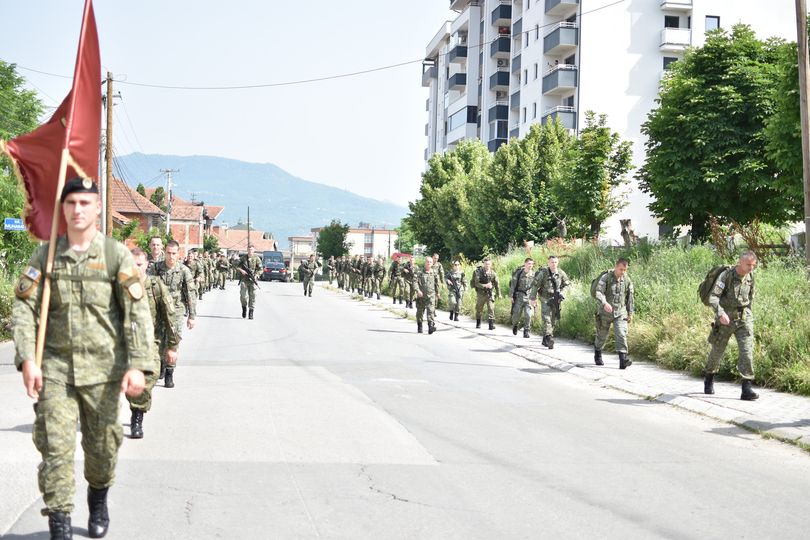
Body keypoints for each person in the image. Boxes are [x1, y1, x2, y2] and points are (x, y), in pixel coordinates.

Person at [12, 177, 154, 539]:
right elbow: (25, 309)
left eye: (85, 203)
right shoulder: (46, 256)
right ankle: (59, 521)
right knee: (56, 449)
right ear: (64, 208)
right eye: (71, 203)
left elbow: (136, 314)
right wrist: (28, 358)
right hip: (56, 370)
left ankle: (98, 497)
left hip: (104, 372)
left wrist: (138, 364)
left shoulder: (115, 256)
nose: (78, 210)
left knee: (103, 449)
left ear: (97, 208)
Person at [128, 247, 179, 440]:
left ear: (146, 265)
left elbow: (170, 316)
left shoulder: (155, 286)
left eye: (139, 265)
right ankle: (136, 406)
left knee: (144, 383)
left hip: (151, 344)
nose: (135, 269)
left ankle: (137, 417)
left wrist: (172, 346)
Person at [703, 251, 759, 400]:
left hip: (744, 319)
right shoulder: (726, 276)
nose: (751, 268)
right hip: (725, 319)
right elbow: (713, 297)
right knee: (717, 352)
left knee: (747, 352)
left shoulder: (751, 277)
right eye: (748, 264)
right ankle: (709, 377)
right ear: (740, 262)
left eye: (753, 265)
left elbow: (750, 299)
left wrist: (749, 316)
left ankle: (746, 389)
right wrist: (720, 313)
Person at [151, 240, 197, 387]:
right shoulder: (156, 268)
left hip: (176, 311)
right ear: (165, 253)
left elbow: (191, 294)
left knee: (173, 343)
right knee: (157, 342)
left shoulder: (184, 271)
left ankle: (170, 373)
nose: (171, 257)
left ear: (178, 254)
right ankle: (161, 366)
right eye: (169, 253)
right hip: (158, 310)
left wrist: (192, 316)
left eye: (174, 254)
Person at [593, 258, 634, 369]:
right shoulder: (606, 277)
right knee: (602, 336)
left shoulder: (627, 280)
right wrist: (604, 303)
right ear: (616, 266)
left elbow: (630, 298)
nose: (623, 272)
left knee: (621, 334)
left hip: (620, 312)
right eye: (621, 269)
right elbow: (598, 292)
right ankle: (597, 353)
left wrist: (630, 313)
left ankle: (623, 360)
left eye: (625, 270)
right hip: (605, 312)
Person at [531, 255, 570, 349]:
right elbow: (535, 286)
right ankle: (549, 338)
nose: (554, 264)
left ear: (558, 263)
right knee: (546, 318)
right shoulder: (543, 273)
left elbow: (567, 285)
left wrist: (562, 293)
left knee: (553, 320)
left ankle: (545, 338)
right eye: (552, 262)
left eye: (556, 262)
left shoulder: (561, 273)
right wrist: (533, 298)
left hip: (556, 299)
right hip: (545, 298)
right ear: (548, 263)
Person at [509, 258, 536, 338]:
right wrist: (511, 296)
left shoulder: (534, 274)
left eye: (532, 264)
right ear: (525, 264)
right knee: (516, 314)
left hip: (529, 296)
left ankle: (526, 331)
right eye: (529, 263)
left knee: (528, 314)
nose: (530, 265)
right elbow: (513, 285)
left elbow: (535, 287)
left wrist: (534, 298)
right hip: (519, 296)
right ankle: (515, 325)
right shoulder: (519, 273)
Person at [472, 257, 501, 330]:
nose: (487, 265)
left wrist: (499, 294)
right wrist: (485, 285)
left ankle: (491, 325)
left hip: (490, 293)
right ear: (483, 264)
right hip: (481, 293)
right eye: (486, 264)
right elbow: (476, 283)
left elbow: (497, 284)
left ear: (491, 264)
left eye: (488, 264)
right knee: (479, 309)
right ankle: (478, 322)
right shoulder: (479, 272)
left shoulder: (493, 273)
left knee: (491, 308)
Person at [415, 257, 441, 334]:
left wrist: (438, 292)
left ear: (432, 263)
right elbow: (415, 282)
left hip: (431, 295)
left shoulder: (434, 272)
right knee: (420, 312)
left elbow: (437, 283)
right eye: (427, 262)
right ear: (425, 263)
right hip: (421, 296)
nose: (429, 263)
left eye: (430, 262)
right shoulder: (419, 272)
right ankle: (420, 325)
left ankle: (430, 326)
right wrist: (418, 290)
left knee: (431, 311)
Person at [237, 245, 262, 318]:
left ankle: (251, 311)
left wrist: (256, 275)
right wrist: (241, 270)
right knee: (243, 296)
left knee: (253, 296)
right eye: (249, 249)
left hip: (252, 280)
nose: (250, 251)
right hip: (244, 280)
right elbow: (236, 266)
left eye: (251, 249)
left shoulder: (256, 258)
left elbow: (260, 269)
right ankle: (244, 308)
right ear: (247, 250)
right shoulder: (243, 258)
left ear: (254, 250)